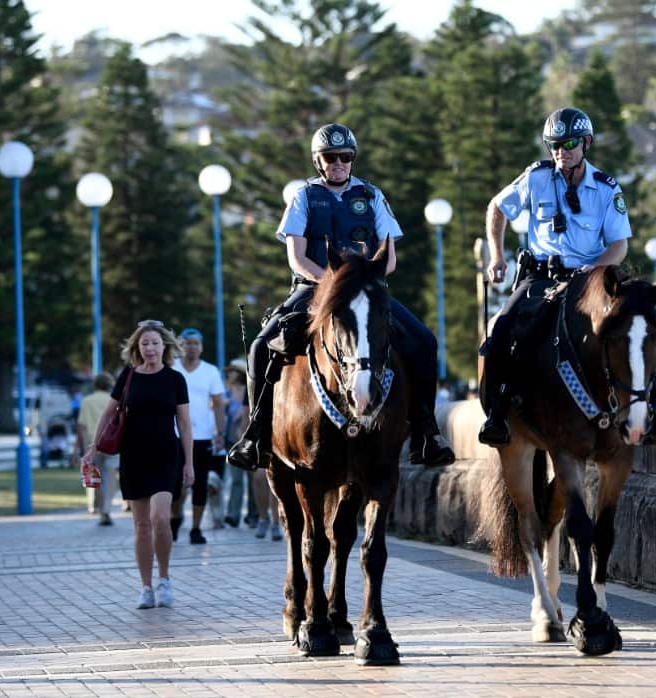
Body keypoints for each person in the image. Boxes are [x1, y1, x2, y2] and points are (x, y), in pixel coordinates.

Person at [227, 122, 455, 471]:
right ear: (319, 161)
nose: (338, 163)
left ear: (352, 160)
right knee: (261, 346)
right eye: (330, 157)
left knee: (423, 341)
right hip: (313, 289)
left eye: (344, 157)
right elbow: (297, 256)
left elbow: (388, 257)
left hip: (365, 289)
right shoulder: (304, 197)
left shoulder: (372, 196)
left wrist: (359, 282)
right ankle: (255, 433)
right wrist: (330, 284)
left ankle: (427, 431)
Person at [479, 107, 656, 447]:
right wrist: (498, 256)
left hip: (593, 278)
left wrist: (598, 268)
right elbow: (497, 208)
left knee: (645, 320)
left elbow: (619, 245)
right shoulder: (536, 178)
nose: (561, 152)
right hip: (541, 278)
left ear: (586, 143)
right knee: (501, 329)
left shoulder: (606, 189)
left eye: (569, 144)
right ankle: (497, 413)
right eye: (554, 145)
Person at [83, 320, 193, 609]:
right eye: (144, 343)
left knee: (160, 518)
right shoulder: (128, 376)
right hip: (133, 456)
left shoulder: (174, 379)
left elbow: (184, 423)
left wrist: (189, 463)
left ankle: (165, 579)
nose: (150, 348)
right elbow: (108, 413)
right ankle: (146, 587)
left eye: (155, 343)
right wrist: (93, 448)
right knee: (141, 526)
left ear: (164, 346)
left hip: (166, 455)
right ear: (137, 347)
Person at [172, 328, 226, 545]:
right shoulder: (172, 368)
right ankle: (175, 517)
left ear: (201, 347)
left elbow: (219, 403)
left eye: (196, 343)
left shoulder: (210, 371)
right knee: (174, 484)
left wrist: (220, 432)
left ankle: (195, 528)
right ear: (180, 346)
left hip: (202, 436)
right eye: (187, 343)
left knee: (200, 484)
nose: (191, 347)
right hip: (174, 435)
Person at [73, 372, 120, 525]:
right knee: (111, 476)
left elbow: (81, 426)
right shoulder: (114, 401)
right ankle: (107, 508)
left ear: (95, 385)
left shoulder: (86, 401)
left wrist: (77, 448)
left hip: (91, 445)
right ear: (110, 385)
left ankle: (99, 510)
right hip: (111, 444)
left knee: (95, 480)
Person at [222, 358, 258, 528]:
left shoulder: (249, 390)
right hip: (231, 440)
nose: (230, 373)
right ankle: (233, 515)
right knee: (236, 480)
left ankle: (254, 514)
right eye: (229, 371)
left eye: (234, 370)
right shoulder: (226, 392)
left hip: (249, 441)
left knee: (253, 481)